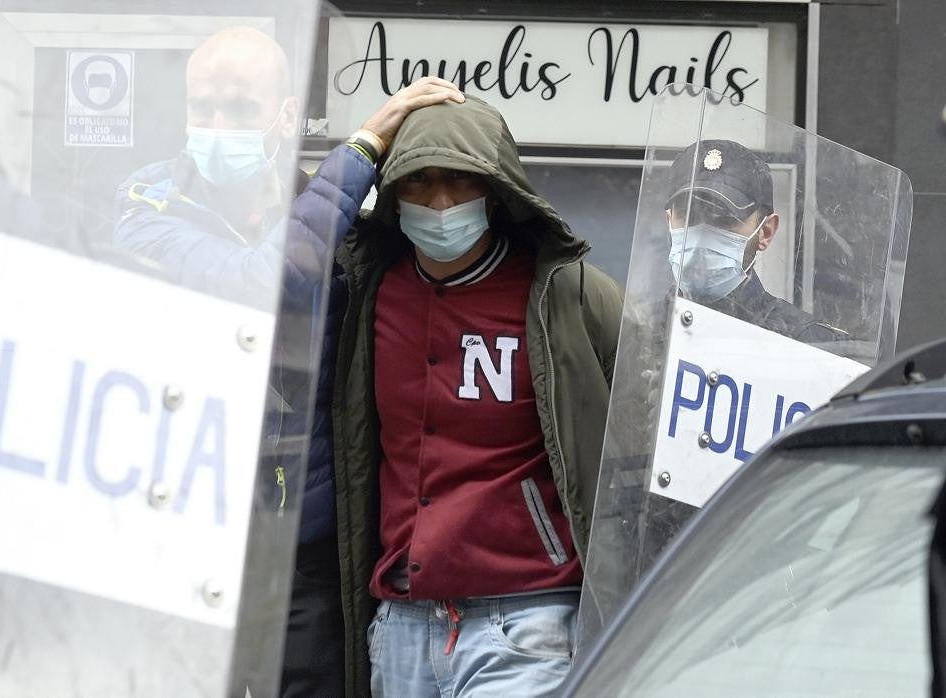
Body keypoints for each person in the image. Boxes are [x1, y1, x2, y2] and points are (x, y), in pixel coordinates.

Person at [112, 27, 465, 696]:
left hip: (303, 553)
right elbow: (261, 285)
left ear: (282, 115)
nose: (216, 125)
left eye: (239, 109)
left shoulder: (345, 225)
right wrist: (362, 148)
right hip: (180, 538)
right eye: (202, 107)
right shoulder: (147, 204)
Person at [328, 95, 623, 697]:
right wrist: (365, 141)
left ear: (495, 190)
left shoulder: (565, 294)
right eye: (420, 182)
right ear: (393, 195)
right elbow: (274, 260)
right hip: (402, 624)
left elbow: (650, 423)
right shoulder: (366, 295)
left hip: (527, 618)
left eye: (460, 181)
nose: (440, 203)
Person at [664, 139, 847, 342]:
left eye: (725, 218)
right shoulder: (638, 331)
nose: (701, 235)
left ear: (766, 232)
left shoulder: (807, 345)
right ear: (669, 220)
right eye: (689, 215)